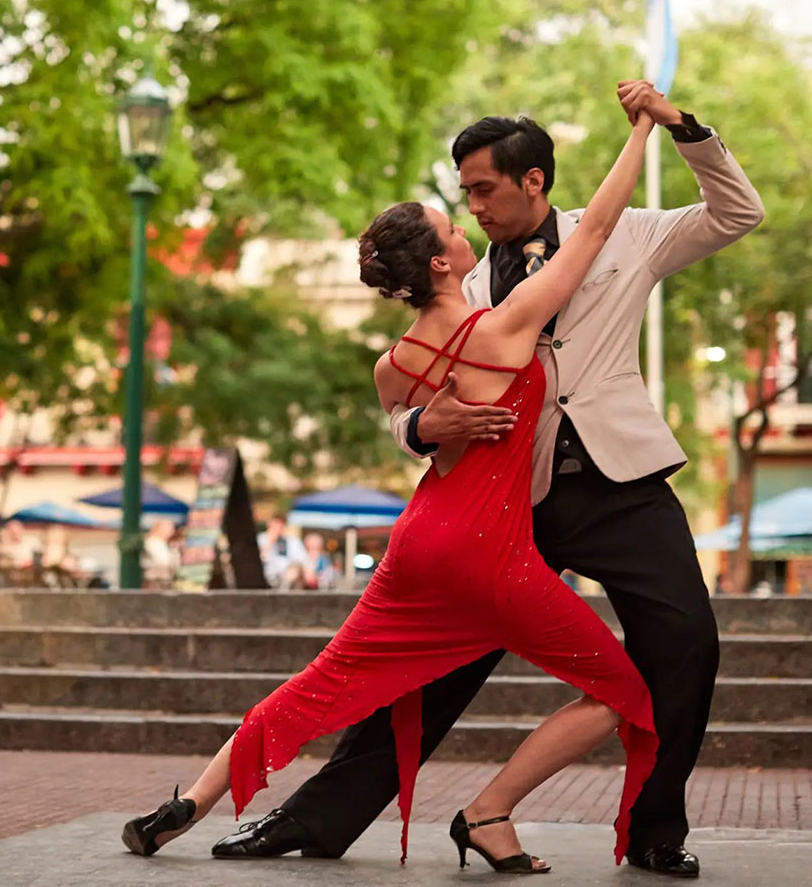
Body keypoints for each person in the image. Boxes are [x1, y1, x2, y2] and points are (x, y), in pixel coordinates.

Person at [215, 81, 763, 878]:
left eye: (483, 188)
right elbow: (408, 397)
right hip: (506, 500)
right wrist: (417, 429)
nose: (470, 205)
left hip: (623, 482)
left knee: (685, 644)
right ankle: (315, 818)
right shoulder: (463, 281)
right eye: (462, 191)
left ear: (532, 180)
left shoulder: (626, 234)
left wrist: (686, 129)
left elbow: (737, 212)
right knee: (433, 662)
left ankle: (654, 830)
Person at [122, 103, 663, 873]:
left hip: (417, 548)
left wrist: (420, 426)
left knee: (321, 683)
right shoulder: (504, 329)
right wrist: (641, 130)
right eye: (451, 228)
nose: (465, 227)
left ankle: (187, 805)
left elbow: (414, 433)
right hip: (490, 555)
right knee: (619, 692)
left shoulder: (393, 367)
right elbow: (600, 226)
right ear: (441, 264)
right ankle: (489, 812)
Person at [256, 514, 308, 588]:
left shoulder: (292, 541)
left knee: (294, 572)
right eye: (276, 524)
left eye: (281, 525)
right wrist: (270, 541)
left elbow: (302, 559)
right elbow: (261, 557)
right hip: (266, 575)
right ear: (269, 524)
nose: (278, 528)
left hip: (287, 576)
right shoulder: (260, 539)